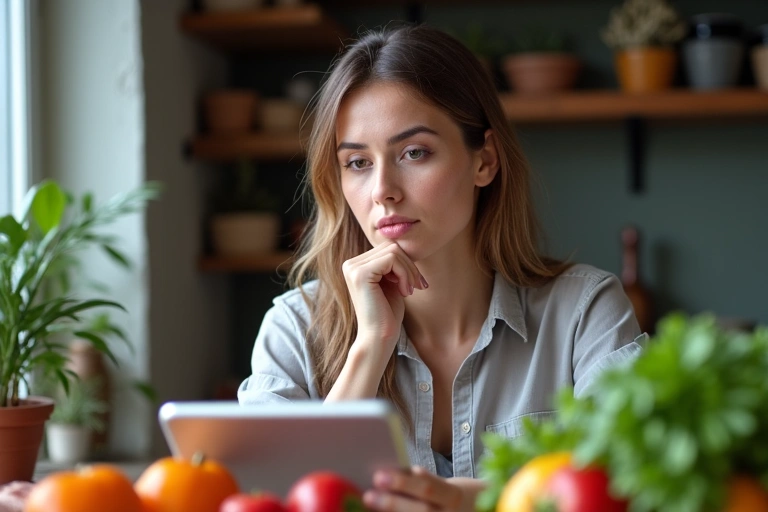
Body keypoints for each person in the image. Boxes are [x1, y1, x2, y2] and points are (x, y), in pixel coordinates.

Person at [238, 24, 644, 512]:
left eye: (414, 153)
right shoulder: (293, 329)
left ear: (485, 161)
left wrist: (456, 501)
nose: (382, 190)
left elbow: (631, 483)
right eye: (358, 163)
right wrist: (369, 347)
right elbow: (280, 499)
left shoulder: (584, 312)